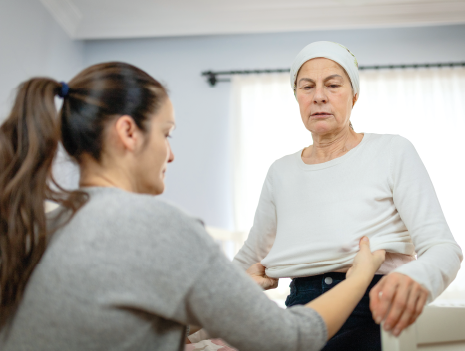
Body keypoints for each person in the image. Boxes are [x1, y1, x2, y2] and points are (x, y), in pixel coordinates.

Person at [0, 62, 385, 351]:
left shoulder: (40, 228)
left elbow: (115, 328)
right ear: (128, 132)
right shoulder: (158, 226)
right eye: (166, 134)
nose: (170, 154)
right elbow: (291, 338)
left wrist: (226, 294)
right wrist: (358, 278)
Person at [232, 41, 463, 350]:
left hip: (374, 308)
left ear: (354, 95)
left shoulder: (393, 151)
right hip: (302, 311)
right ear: (297, 97)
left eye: (333, 85)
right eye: (307, 87)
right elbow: (250, 256)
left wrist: (418, 279)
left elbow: (443, 247)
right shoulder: (280, 172)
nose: (319, 96)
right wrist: (203, 306)